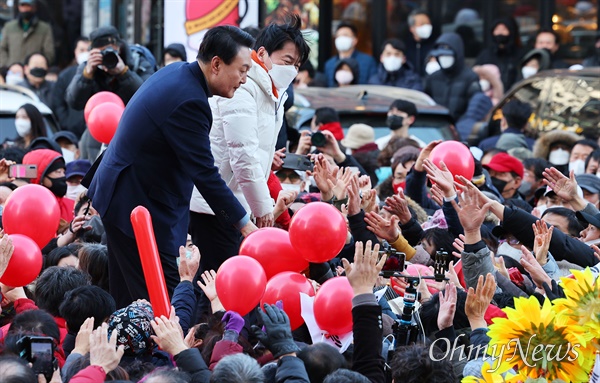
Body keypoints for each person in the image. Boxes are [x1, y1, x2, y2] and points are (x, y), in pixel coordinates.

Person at [86, 25, 258, 309]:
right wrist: (245, 224)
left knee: (130, 300)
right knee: (163, 306)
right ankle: (159, 354)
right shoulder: (190, 100)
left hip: (126, 195)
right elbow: (204, 173)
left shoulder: (179, 73)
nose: (244, 79)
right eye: (241, 70)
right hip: (136, 206)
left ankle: (127, 352)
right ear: (216, 63)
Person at [190, 16, 309, 276]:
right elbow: (243, 155)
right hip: (216, 205)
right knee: (217, 281)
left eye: (297, 65)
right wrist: (263, 208)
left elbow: (258, 155)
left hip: (237, 204)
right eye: (287, 61)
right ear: (262, 53)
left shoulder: (273, 93)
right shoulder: (242, 88)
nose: (292, 70)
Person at [66, 25, 156, 111]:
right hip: (99, 122)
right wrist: (86, 76)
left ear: (119, 48)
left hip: (132, 122)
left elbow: (148, 97)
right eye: (100, 53)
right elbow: (74, 103)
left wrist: (124, 73)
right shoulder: (87, 67)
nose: (105, 57)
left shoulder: (138, 62)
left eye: (108, 51)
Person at [424, 32, 482, 123]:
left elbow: (474, 110)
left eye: (447, 55)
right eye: (441, 55)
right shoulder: (433, 78)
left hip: (459, 130)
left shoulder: (470, 78)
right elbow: (425, 104)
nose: (444, 58)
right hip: (436, 129)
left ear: (457, 54)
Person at [51, 37, 91, 138]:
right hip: (72, 131)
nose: (85, 53)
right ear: (75, 52)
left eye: (88, 50)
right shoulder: (65, 75)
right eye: (81, 50)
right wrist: (67, 122)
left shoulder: (100, 74)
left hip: (92, 129)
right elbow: (58, 102)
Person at [22, 149, 74, 222]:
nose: (63, 176)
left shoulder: (73, 207)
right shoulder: (24, 209)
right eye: (58, 172)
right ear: (41, 177)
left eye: (64, 172)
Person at [0, 0, 55, 67]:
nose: (25, 9)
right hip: (13, 72)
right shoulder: (9, 27)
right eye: (23, 6)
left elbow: (49, 53)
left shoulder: (44, 28)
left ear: (34, 8)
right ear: (19, 7)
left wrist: (38, 65)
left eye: (28, 6)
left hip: (34, 71)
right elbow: (2, 48)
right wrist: (8, 65)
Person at [475, 17, 524, 90]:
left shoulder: (519, 54)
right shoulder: (485, 55)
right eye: (497, 29)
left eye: (504, 29)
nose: (500, 33)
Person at [324, 22, 377, 87]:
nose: (341, 38)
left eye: (345, 35)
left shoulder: (368, 62)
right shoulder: (329, 64)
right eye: (338, 36)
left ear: (355, 40)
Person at [404, 10, 436, 78]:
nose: (427, 27)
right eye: (422, 24)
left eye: (428, 23)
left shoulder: (436, 46)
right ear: (411, 28)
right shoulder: (405, 46)